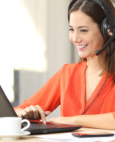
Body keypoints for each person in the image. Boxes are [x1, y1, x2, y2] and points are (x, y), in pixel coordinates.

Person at [14, 0, 115, 130]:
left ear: (108, 30)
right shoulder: (67, 74)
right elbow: (17, 110)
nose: (75, 38)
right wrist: (22, 113)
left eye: (83, 30)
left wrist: (73, 120)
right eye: (71, 29)